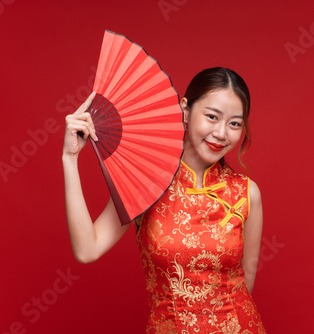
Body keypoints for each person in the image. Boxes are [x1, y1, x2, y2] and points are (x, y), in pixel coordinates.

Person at [62, 67, 266, 333]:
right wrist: (70, 158)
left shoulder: (246, 193)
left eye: (235, 123)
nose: (221, 133)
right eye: (212, 117)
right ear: (185, 110)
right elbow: (87, 249)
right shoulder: (146, 183)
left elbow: (246, 280)